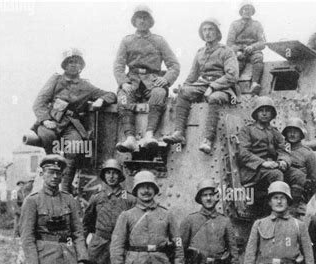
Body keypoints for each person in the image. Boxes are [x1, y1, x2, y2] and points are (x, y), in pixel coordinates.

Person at [32, 48, 117, 193]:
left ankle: (65, 188)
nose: (73, 65)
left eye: (77, 62)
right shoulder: (55, 80)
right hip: (51, 119)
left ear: (81, 66)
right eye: (70, 62)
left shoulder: (86, 86)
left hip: (71, 125)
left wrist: (102, 100)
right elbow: (39, 103)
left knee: (76, 147)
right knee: (48, 138)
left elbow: (111, 95)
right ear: (64, 65)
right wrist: (45, 120)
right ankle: (50, 183)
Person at [163, 18, 239, 155]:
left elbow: (232, 76)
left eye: (211, 29)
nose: (207, 33)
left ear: (217, 32)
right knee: (184, 92)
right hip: (203, 84)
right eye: (204, 30)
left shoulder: (227, 51)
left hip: (223, 87)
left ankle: (208, 140)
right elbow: (192, 76)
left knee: (215, 98)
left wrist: (214, 86)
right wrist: (182, 90)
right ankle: (179, 132)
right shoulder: (200, 53)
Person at [114, 4, 180, 153]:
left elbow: (174, 65)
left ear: (150, 21)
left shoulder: (159, 41)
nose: (142, 21)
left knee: (159, 94)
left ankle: (149, 134)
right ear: (134, 21)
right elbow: (118, 65)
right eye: (139, 18)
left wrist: (166, 79)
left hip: (152, 81)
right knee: (123, 98)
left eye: (145, 18)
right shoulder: (127, 41)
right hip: (133, 81)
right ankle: (130, 138)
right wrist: (123, 83)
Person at [237, 96, 291, 213]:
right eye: (261, 110)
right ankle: (277, 211)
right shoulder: (247, 130)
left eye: (268, 111)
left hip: (271, 166)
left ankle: (293, 208)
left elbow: (284, 150)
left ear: (272, 114)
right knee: (276, 175)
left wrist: (283, 161)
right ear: (256, 113)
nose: (265, 114)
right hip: (252, 170)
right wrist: (263, 163)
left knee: (295, 174)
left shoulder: (275, 132)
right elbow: (243, 153)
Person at [282, 117, 316, 217]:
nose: (292, 134)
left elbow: (315, 180)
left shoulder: (308, 154)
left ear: (301, 134)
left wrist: (303, 199)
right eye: (289, 131)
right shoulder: (281, 151)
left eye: (295, 131)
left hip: (296, 202)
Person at [227, 1, 266, 95]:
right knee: (235, 65)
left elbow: (263, 42)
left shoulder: (257, 25)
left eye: (249, 9)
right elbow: (229, 43)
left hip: (253, 51)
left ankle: (255, 83)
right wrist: (237, 52)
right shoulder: (234, 25)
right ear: (241, 11)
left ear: (252, 11)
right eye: (245, 9)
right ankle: (232, 87)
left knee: (258, 58)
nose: (247, 11)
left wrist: (252, 47)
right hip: (239, 51)